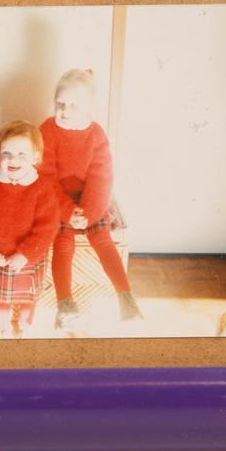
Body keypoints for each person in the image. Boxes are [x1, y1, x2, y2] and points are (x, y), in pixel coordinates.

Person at [40, 68, 143, 329]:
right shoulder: (47, 130)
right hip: (57, 200)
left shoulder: (96, 134)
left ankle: (126, 297)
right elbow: (47, 177)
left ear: (89, 109)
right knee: (63, 244)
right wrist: (67, 211)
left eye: (74, 105)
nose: (65, 110)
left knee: (103, 239)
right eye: (60, 103)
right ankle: (65, 304)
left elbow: (102, 178)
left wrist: (88, 211)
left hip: (91, 201)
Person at [0, 121, 59, 338]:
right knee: (2, 298)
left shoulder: (42, 188)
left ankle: (26, 324)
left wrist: (26, 254)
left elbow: (46, 227)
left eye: (21, 154)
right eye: (6, 153)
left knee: (29, 298)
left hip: (29, 256)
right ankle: (2, 328)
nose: (12, 159)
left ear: (35, 158)